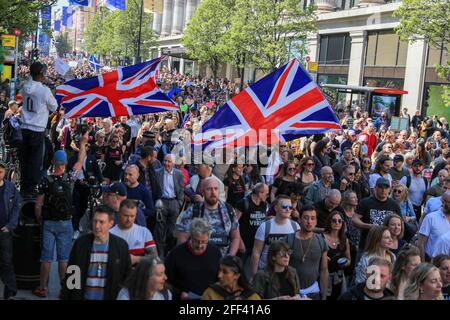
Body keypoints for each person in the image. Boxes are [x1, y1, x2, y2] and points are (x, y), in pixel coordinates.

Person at [32, 148, 83, 298]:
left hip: (49, 222)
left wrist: (40, 218)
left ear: (53, 162)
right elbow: (80, 161)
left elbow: (38, 205)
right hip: (66, 223)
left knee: (46, 257)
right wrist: (82, 143)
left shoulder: (45, 180)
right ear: (66, 164)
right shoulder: (70, 178)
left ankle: (42, 288)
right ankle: (64, 289)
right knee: (64, 258)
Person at [61, 205, 132, 300]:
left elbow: (127, 277)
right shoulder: (80, 244)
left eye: (101, 222)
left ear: (111, 223)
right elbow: (71, 277)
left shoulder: (121, 246)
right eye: (95, 221)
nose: (97, 226)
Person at [20, 62, 58, 196]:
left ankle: (24, 186)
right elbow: (54, 106)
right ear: (41, 74)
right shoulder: (44, 90)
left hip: (24, 127)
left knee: (24, 158)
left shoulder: (25, 86)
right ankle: (32, 188)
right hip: (37, 129)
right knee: (36, 161)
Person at [176, 177, 241, 257]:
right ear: (203, 192)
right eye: (209, 189)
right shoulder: (193, 211)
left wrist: (229, 258)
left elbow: (236, 237)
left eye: (216, 189)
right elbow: (182, 239)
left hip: (222, 262)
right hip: (199, 261)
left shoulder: (228, 210)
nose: (213, 192)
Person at [165, 218, 222, 300]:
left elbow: (220, 280)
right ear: (190, 236)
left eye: (203, 241)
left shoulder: (215, 253)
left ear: (208, 238)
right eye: (196, 241)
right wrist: (179, 294)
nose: (199, 245)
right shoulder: (176, 254)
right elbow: (166, 281)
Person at [250, 195, 300, 279]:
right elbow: (256, 252)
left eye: (290, 207)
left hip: (287, 273)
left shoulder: (295, 227)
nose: (288, 209)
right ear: (276, 208)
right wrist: (254, 276)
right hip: (266, 271)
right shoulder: (265, 226)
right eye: (284, 206)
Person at [289, 205, 328, 300]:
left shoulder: (321, 241)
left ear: (316, 221)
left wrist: (324, 296)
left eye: (312, 218)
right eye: (306, 218)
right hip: (291, 293)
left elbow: (324, 270)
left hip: (314, 292)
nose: (309, 221)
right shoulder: (288, 239)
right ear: (299, 220)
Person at [352, 177, 401, 251]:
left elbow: (400, 223)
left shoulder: (394, 205)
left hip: (387, 247)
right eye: (380, 187)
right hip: (367, 245)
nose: (383, 190)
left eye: (386, 188)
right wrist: (368, 226)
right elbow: (354, 219)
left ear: (390, 189)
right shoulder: (365, 202)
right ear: (375, 188)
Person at [110, 199, 157, 265]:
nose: (129, 219)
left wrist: (136, 259)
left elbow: (154, 257)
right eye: (126, 216)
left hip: (140, 274)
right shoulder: (110, 234)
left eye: (132, 216)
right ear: (119, 214)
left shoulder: (144, 232)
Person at [154, 154, 185, 255]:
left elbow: (181, 190)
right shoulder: (157, 173)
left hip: (174, 203)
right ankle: (160, 253)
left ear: (173, 163)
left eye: (169, 161)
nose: (166, 163)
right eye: (165, 161)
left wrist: (179, 203)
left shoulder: (179, 174)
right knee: (159, 229)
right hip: (161, 203)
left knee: (171, 231)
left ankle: (168, 251)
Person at [234, 183, 269, 269]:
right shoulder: (243, 203)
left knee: (255, 268)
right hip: (244, 243)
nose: (267, 196)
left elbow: (263, 220)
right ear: (260, 193)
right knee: (239, 268)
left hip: (257, 244)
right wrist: (239, 242)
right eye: (266, 193)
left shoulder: (264, 205)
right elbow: (234, 224)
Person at [0, 161, 21, 300]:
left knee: (6, 261)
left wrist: (9, 226)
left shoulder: (10, 187)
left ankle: (10, 289)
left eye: (0, 171)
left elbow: (16, 208)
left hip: (4, 231)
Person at [323, 211, 351, 300]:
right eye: (334, 220)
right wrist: (323, 259)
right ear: (329, 222)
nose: (337, 223)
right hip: (325, 276)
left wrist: (344, 263)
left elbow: (349, 260)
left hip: (339, 277)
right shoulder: (322, 238)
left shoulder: (344, 240)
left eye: (340, 221)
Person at [418, 191, 450, 261]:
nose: (447, 204)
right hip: (431, 261)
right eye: (446, 201)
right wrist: (424, 264)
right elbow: (421, 243)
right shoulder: (430, 218)